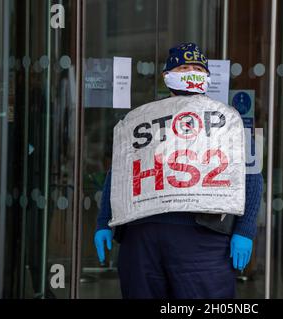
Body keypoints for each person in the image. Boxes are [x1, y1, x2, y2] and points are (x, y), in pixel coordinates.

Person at [94, 42, 263, 299]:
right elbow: (120, 172)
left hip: (203, 238)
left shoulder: (228, 120)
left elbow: (251, 175)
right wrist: (104, 220)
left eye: (197, 68)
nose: (191, 72)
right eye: (184, 67)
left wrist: (245, 229)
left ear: (207, 77)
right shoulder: (140, 119)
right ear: (167, 76)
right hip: (143, 236)